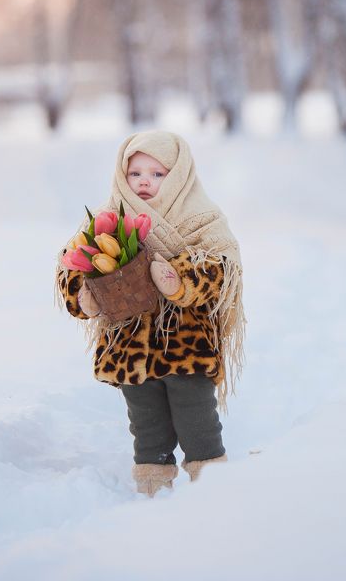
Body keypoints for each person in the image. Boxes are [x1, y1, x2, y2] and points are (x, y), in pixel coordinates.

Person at [55, 130, 246, 497]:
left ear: (179, 176)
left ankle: (212, 483)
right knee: (146, 421)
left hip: (186, 342)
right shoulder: (106, 218)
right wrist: (85, 295)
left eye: (158, 173)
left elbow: (222, 270)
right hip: (130, 345)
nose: (145, 181)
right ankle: (153, 481)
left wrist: (181, 282)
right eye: (135, 173)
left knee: (196, 415)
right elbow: (71, 264)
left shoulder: (201, 217)